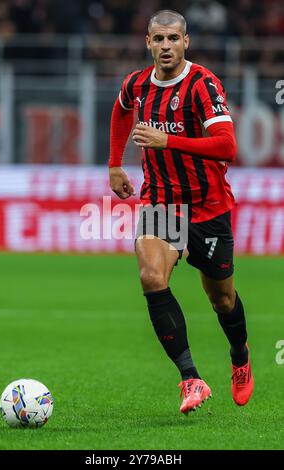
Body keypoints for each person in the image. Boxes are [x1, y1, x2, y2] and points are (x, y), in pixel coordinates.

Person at [108, 9, 254, 414]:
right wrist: (114, 163)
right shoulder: (136, 85)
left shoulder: (202, 84)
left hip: (208, 206)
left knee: (222, 299)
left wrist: (167, 142)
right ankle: (191, 378)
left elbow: (227, 147)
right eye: (159, 39)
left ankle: (240, 356)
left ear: (186, 42)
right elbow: (121, 110)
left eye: (174, 38)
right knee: (151, 276)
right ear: (148, 43)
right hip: (161, 201)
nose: (166, 46)